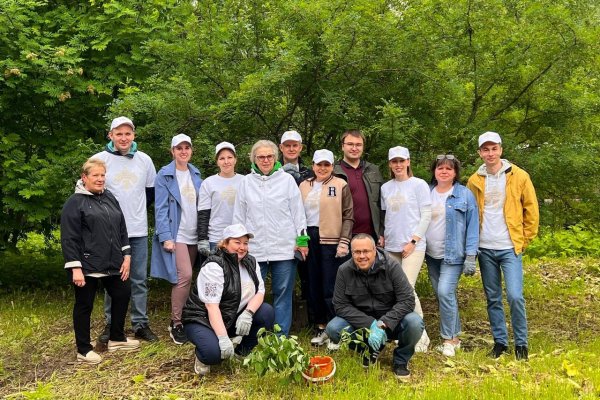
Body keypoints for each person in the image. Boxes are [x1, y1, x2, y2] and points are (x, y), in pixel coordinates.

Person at [467, 131, 539, 360]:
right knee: (493, 297)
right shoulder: (474, 180)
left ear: (501, 149)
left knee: (516, 296)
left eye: (494, 148)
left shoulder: (519, 176)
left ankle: (521, 344)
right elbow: (470, 215)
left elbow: (531, 210)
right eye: (485, 149)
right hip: (485, 248)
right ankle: (500, 342)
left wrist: (524, 239)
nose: (490, 153)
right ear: (480, 152)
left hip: (510, 247)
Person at [61, 158, 140, 364]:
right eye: (95, 175)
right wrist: (75, 267)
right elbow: (69, 237)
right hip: (87, 265)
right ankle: (84, 349)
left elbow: (122, 228)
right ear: (84, 177)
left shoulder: (110, 197)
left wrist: (127, 256)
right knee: (84, 304)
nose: (100, 179)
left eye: (103, 175)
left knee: (122, 293)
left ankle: (116, 338)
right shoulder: (75, 202)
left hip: (114, 261)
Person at [232, 140, 308, 336]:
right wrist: (238, 245)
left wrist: (302, 242)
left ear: (275, 158)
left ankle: (280, 337)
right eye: (261, 157)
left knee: (283, 293)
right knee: (252, 292)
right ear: (254, 159)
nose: (265, 160)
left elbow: (298, 214)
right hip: (254, 249)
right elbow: (239, 217)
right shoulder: (245, 182)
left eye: (269, 156)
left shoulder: (287, 181)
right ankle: (251, 335)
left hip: (284, 248)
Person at [93, 116, 159, 343]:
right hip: (109, 231)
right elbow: (90, 191)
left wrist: (135, 211)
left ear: (134, 135)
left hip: (138, 229)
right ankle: (112, 324)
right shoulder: (99, 160)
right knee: (112, 278)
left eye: (127, 133)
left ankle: (140, 323)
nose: (123, 138)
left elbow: (151, 193)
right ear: (110, 135)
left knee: (139, 278)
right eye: (118, 133)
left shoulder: (145, 160)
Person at [326, 234, 424, 380]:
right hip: (363, 324)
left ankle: (401, 361)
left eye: (366, 251)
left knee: (415, 323)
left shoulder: (391, 266)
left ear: (375, 250)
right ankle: (369, 350)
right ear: (352, 253)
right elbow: (340, 305)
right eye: (357, 252)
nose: (362, 256)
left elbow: (407, 300)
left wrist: (383, 324)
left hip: (392, 323)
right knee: (333, 328)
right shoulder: (344, 270)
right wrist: (370, 324)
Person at [182, 224, 274, 376]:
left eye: (245, 243)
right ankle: (203, 356)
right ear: (225, 243)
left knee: (266, 312)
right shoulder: (214, 266)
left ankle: (240, 352)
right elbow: (211, 307)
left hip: (229, 317)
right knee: (213, 354)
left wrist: (248, 313)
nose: (242, 247)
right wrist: (223, 338)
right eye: (237, 242)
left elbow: (260, 291)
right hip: (201, 319)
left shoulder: (251, 262)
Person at [424, 155, 479, 357]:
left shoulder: (464, 195)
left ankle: (448, 340)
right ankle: (455, 339)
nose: (444, 171)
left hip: (454, 255)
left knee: (445, 292)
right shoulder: (427, 193)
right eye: (440, 168)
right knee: (443, 295)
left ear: (455, 173)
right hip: (431, 254)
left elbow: (473, 227)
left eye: (449, 168)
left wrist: (471, 256)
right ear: (434, 171)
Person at [150, 134, 202, 345]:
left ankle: (187, 316)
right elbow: (160, 207)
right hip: (176, 234)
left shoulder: (196, 174)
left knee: (190, 276)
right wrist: (165, 237)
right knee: (184, 276)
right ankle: (176, 322)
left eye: (186, 147)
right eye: (178, 148)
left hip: (194, 235)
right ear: (172, 151)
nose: (183, 151)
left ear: (191, 150)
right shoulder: (165, 175)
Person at [379, 146, 432, 352]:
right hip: (391, 245)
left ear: (408, 162)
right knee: (392, 290)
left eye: (402, 161)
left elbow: (426, 215)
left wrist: (413, 241)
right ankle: (400, 331)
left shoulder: (418, 185)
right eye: (394, 162)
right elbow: (386, 216)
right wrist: (382, 235)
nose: (398, 165)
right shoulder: (386, 187)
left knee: (407, 288)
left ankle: (421, 335)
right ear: (390, 164)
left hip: (413, 245)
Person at [299, 149, 353, 346]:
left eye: (326, 165)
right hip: (309, 238)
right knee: (313, 284)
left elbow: (348, 215)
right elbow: (296, 215)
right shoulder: (303, 186)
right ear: (313, 165)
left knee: (331, 286)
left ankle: (335, 329)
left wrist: (344, 241)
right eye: (319, 164)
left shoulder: (340, 185)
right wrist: (300, 242)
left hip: (332, 240)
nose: (322, 168)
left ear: (332, 166)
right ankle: (321, 326)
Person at [333, 129, 383, 240]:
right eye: (350, 144)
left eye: (358, 145)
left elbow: (382, 204)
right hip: (342, 237)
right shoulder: (333, 171)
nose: (354, 148)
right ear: (342, 146)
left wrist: (381, 233)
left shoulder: (373, 170)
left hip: (371, 235)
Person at [197, 142, 244, 254]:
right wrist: (202, 239)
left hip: (239, 238)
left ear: (235, 160)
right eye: (222, 158)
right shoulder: (208, 183)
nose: (226, 162)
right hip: (216, 239)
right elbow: (203, 213)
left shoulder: (245, 181)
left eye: (229, 157)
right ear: (217, 161)